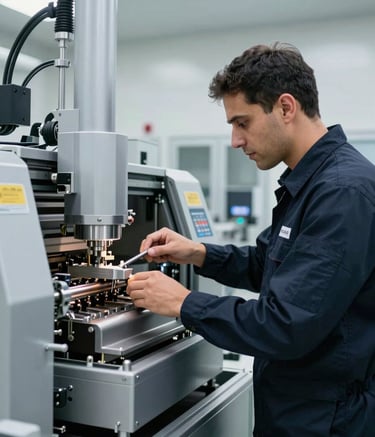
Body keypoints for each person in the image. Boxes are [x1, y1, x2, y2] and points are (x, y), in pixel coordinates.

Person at [126, 42, 375, 436]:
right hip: (298, 408)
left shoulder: (341, 192)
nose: (235, 141)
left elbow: (285, 324)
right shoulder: (311, 183)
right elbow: (268, 265)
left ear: (286, 108)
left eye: (242, 122)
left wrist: (183, 302)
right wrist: (198, 252)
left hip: (325, 420)